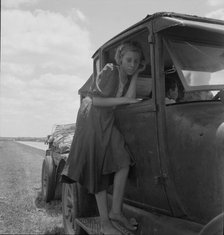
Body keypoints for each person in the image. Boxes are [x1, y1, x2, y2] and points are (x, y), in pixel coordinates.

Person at [61, 41, 145, 234]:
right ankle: (105, 223)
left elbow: (130, 97)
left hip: (107, 119)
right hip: (92, 118)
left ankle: (116, 212)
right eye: (129, 60)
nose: (132, 64)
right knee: (97, 169)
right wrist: (123, 100)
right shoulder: (110, 70)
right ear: (120, 59)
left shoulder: (127, 75)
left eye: (136, 61)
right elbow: (97, 100)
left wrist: (137, 74)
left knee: (123, 161)